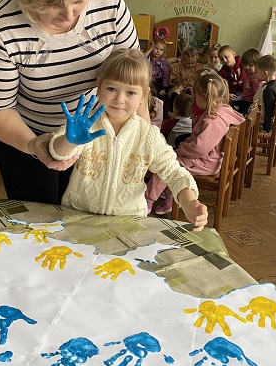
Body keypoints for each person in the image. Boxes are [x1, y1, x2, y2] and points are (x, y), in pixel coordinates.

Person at [0, 0, 142, 204]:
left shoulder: (110, 6)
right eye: (53, 4)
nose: (69, 15)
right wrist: (32, 144)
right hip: (26, 131)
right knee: (40, 213)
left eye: (79, 1)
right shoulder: (0, 30)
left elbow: (134, 79)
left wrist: (140, 139)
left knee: (89, 209)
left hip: (93, 128)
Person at [48, 49, 208, 230]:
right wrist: (69, 141)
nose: (119, 99)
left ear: (143, 96)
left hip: (129, 224)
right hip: (77, 219)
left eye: (131, 92)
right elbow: (58, 153)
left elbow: (174, 173)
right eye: (111, 89)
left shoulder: (148, 135)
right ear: (99, 86)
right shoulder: (86, 125)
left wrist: (189, 203)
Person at [146, 73, 244, 215]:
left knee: (167, 165)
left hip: (206, 163)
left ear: (203, 96)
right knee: (173, 161)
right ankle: (169, 197)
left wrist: (181, 149)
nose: (194, 100)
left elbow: (199, 148)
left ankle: (148, 200)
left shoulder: (213, 121)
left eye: (195, 96)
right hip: (211, 159)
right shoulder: (224, 110)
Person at [253, 54, 276, 136]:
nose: (255, 75)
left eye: (256, 72)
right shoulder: (273, 85)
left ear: (265, 73)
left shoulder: (269, 90)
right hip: (258, 119)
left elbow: (270, 111)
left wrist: (266, 129)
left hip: (260, 123)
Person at [167, 47, 202, 112]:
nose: (190, 65)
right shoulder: (179, 67)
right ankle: (173, 111)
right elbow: (173, 78)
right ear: (183, 60)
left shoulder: (198, 67)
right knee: (175, 93)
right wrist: (178, 79)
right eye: (188, 63)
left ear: (196, 59)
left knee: (189, 92)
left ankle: (189, 111)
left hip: (192, 86)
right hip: (180, 86)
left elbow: (201, 78)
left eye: (192, 63)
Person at [233, 48, 261, 115]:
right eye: (245, 65)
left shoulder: (254, 77)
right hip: (244, 99)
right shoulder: (249, 74)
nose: (247, 67)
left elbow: (256, 93)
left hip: (250, 102)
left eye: (250, 65)